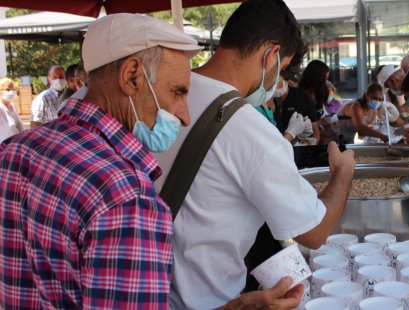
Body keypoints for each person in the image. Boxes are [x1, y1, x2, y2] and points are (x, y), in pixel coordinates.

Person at [0, 13, 302, 310]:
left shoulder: (13, 150)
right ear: (132, 76)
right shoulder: (127, 198)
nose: (184, 116)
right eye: (178, 92)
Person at [151, 1, 355, 308]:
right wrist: (343, 172)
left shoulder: (156, 94)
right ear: (271, 55)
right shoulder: (249, 129)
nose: (276, 81)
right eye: (282, 69)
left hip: (144, 290)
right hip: (208, 301)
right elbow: (315, 232)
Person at [335, 82, 399, 144]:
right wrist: (382, 137)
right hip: (334, 137)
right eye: (374, 98)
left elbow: (366, 131)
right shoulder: (356, 106)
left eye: (380, 99)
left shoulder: (373, 111)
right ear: (366, 95)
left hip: (348, 141)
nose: (377, 101)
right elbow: (361, 129)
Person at [274, 74, 320, 142]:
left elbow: (315, 132)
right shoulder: (264, 100)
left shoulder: (302, 97)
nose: (274, 85)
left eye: (278, 82)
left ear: (287, 81)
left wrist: (310, 145)